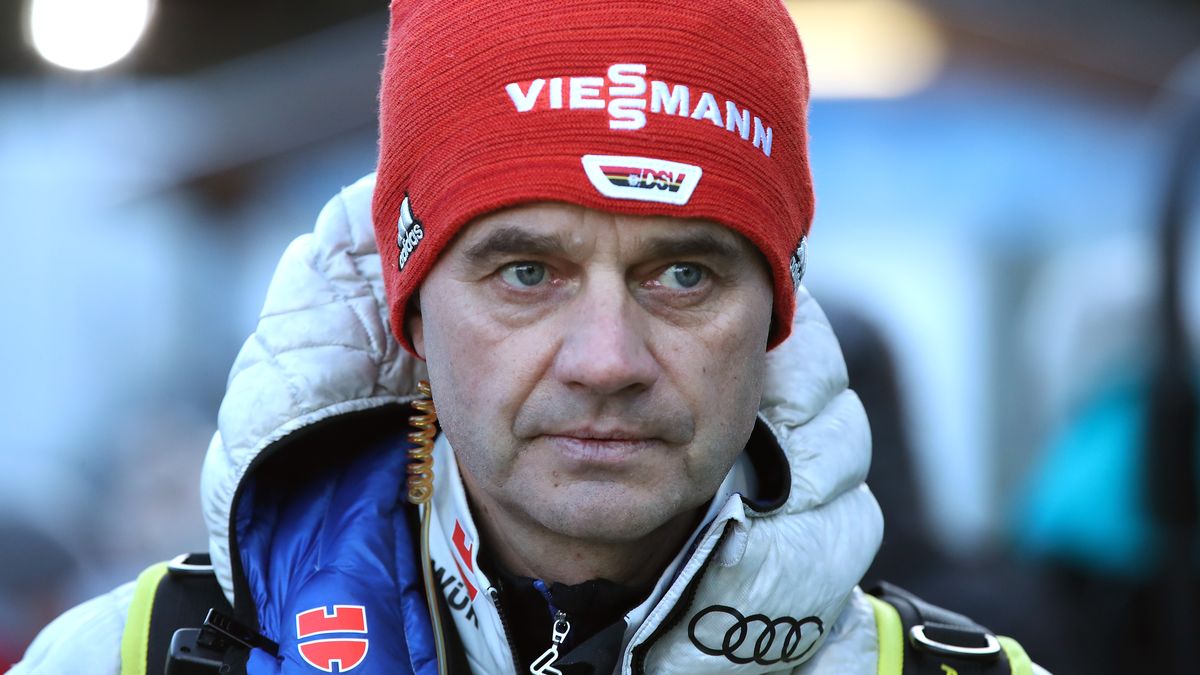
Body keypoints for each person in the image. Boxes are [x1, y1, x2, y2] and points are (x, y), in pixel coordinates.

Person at [14, 1, 1047, 673]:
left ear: (776, 313)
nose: (606, 360)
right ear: (409, 310)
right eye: (526, 273)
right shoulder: (124, 659)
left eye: (683, 275)